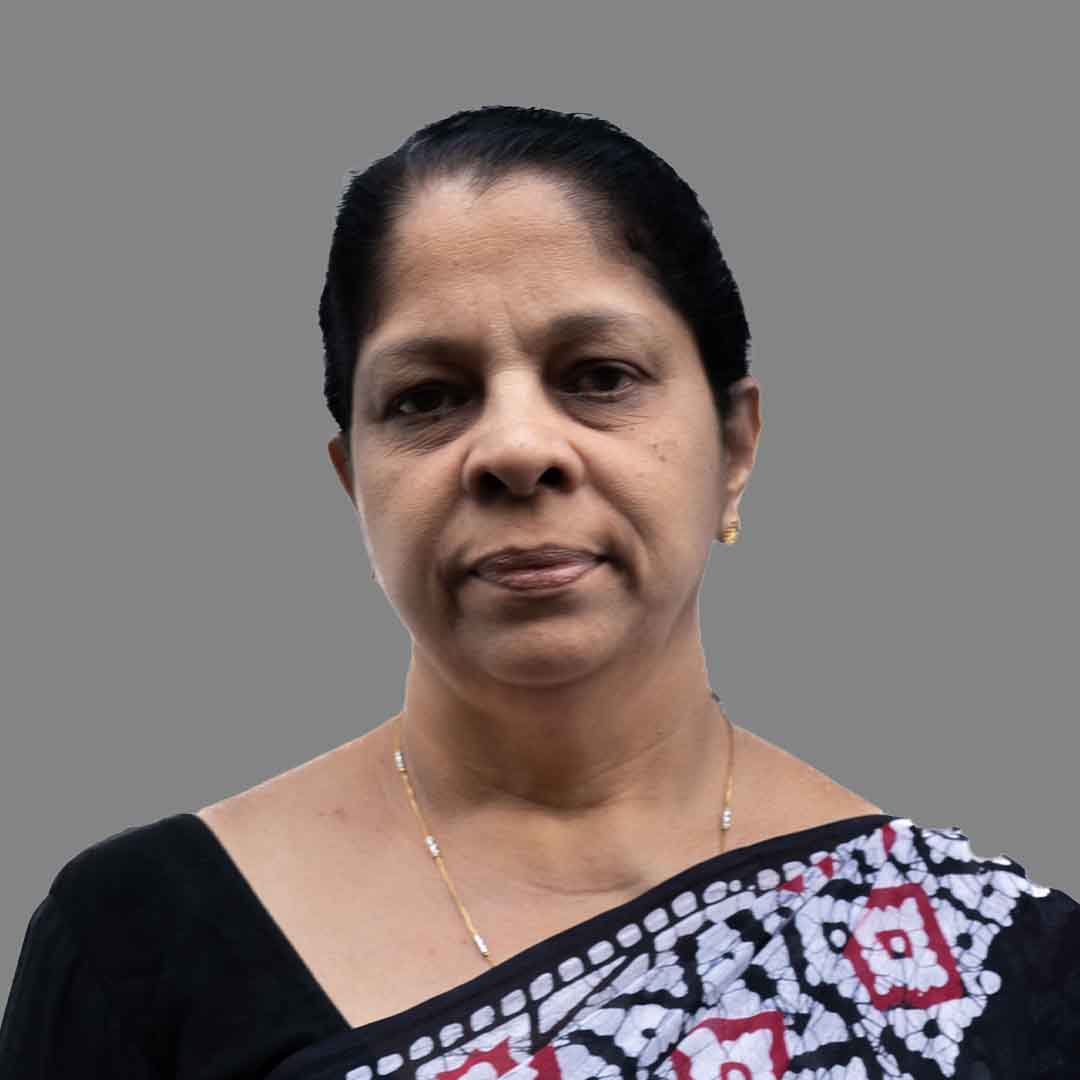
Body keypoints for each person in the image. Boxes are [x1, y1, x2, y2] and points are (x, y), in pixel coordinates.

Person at [1, 105, 1076, 1079]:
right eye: (428, 398)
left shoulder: (997, 965)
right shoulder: (136, 942)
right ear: (354, 480)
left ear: (735, 445)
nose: (515, 450)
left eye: (599, 376)